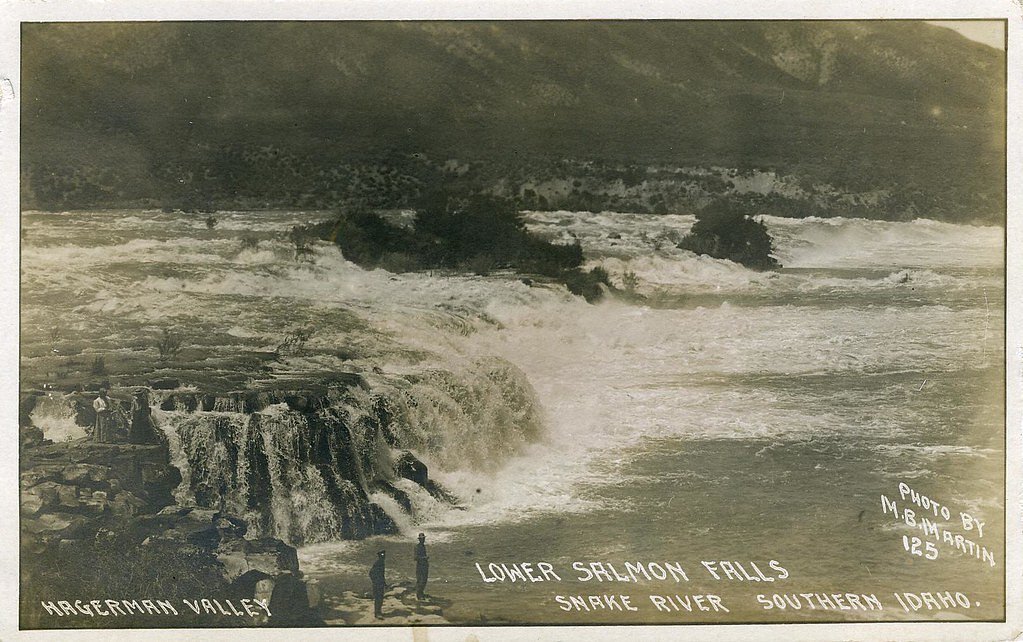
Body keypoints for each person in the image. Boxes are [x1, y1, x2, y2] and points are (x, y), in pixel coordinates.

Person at [369, 550, 386, 619]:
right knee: (378, 598)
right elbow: (371, 573)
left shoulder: (381, 562)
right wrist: (375, 581)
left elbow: (382, 574)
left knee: (380, 598)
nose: (384, 557)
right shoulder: (378, 563)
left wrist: (384, 583)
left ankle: (379, 611)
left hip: (380, 583)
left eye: (384, 555)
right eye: (382, 555)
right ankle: (377, 613)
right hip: (377, 583)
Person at [414, 533, 429, 600]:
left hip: (425, 565)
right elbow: (415, 558)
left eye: (424, 539)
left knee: (424, 580)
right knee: (420, 580)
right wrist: (424, 558)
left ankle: (421, 593)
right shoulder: (417, 547)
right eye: (422, 539)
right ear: (419, 540)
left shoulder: (423, 546)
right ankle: (419, 595)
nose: (423, 540)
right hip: (420, 565)